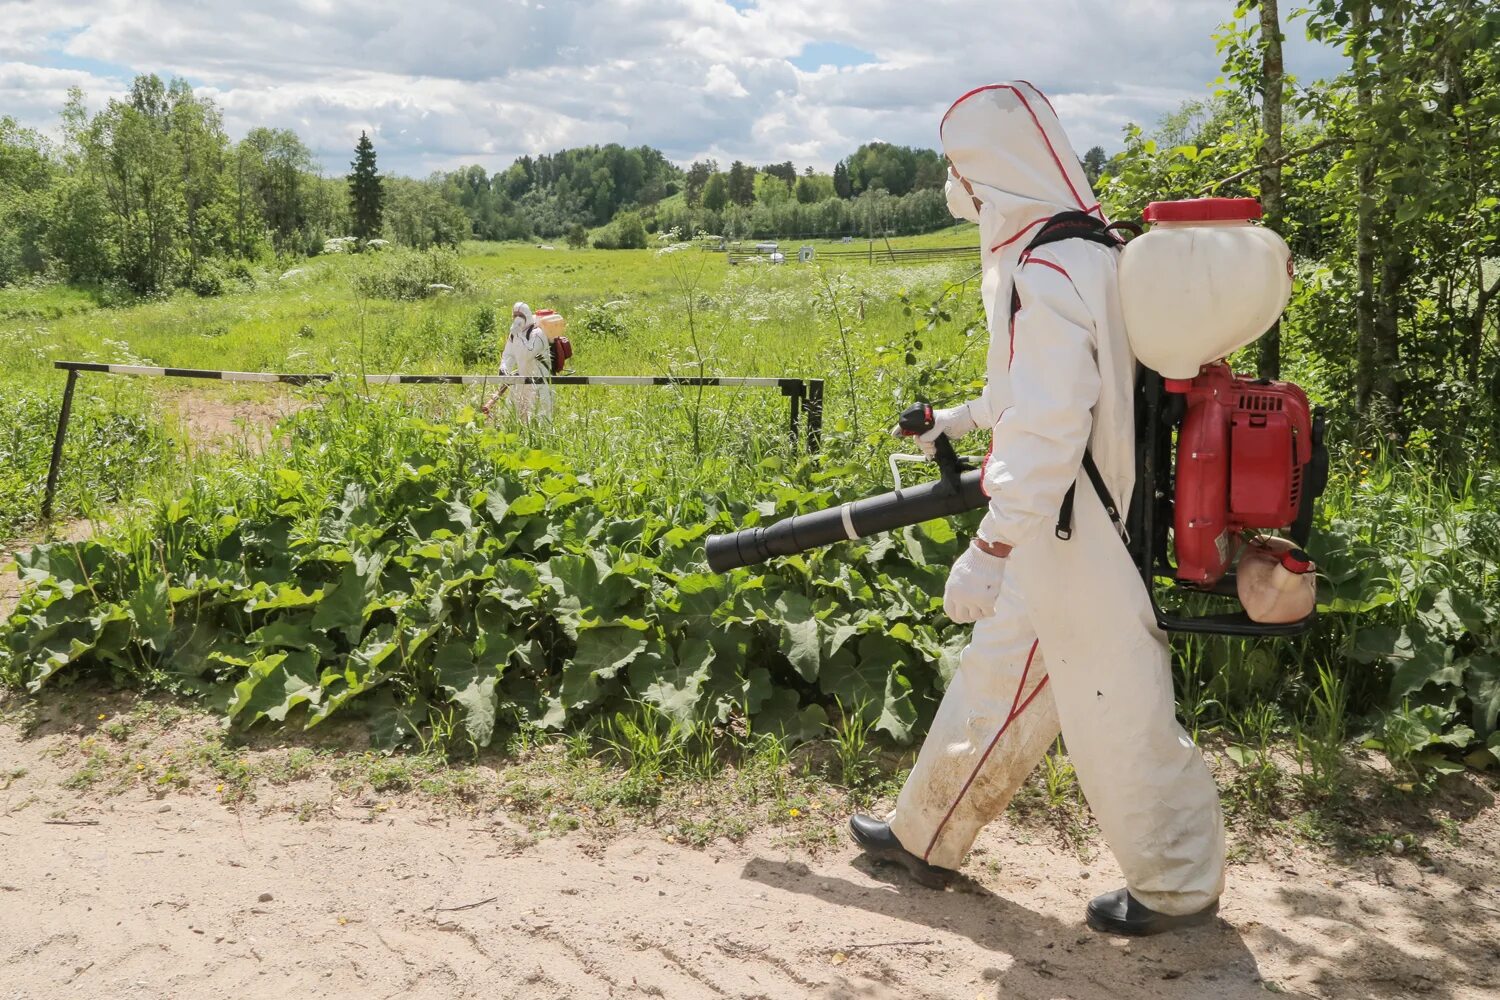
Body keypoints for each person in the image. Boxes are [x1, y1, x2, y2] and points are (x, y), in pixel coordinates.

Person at [849, 82, 1225, 937]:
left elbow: (1052, 427)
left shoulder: (1050, 269)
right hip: (1078, 519)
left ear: (996, 175)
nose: (963, 195)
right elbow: (1024, 394)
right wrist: (952, 422)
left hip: (1074, 529)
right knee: (1000, 676)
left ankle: (1178, 885)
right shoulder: (1081, 252)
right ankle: (926, 834)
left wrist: (990, 546)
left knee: (1117, 709)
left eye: (967, 177)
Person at [482, 301, 554, 422]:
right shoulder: (514, 334)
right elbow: (508, 354)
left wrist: (519, 334)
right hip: (521, 381)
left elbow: (527, 354)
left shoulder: (538, 333)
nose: (517, 319)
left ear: (527, 316)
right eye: (515, 315)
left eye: (520, 315)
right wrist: (504, 368)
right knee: (515, 416)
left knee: (541, 418)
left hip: (540, 382)